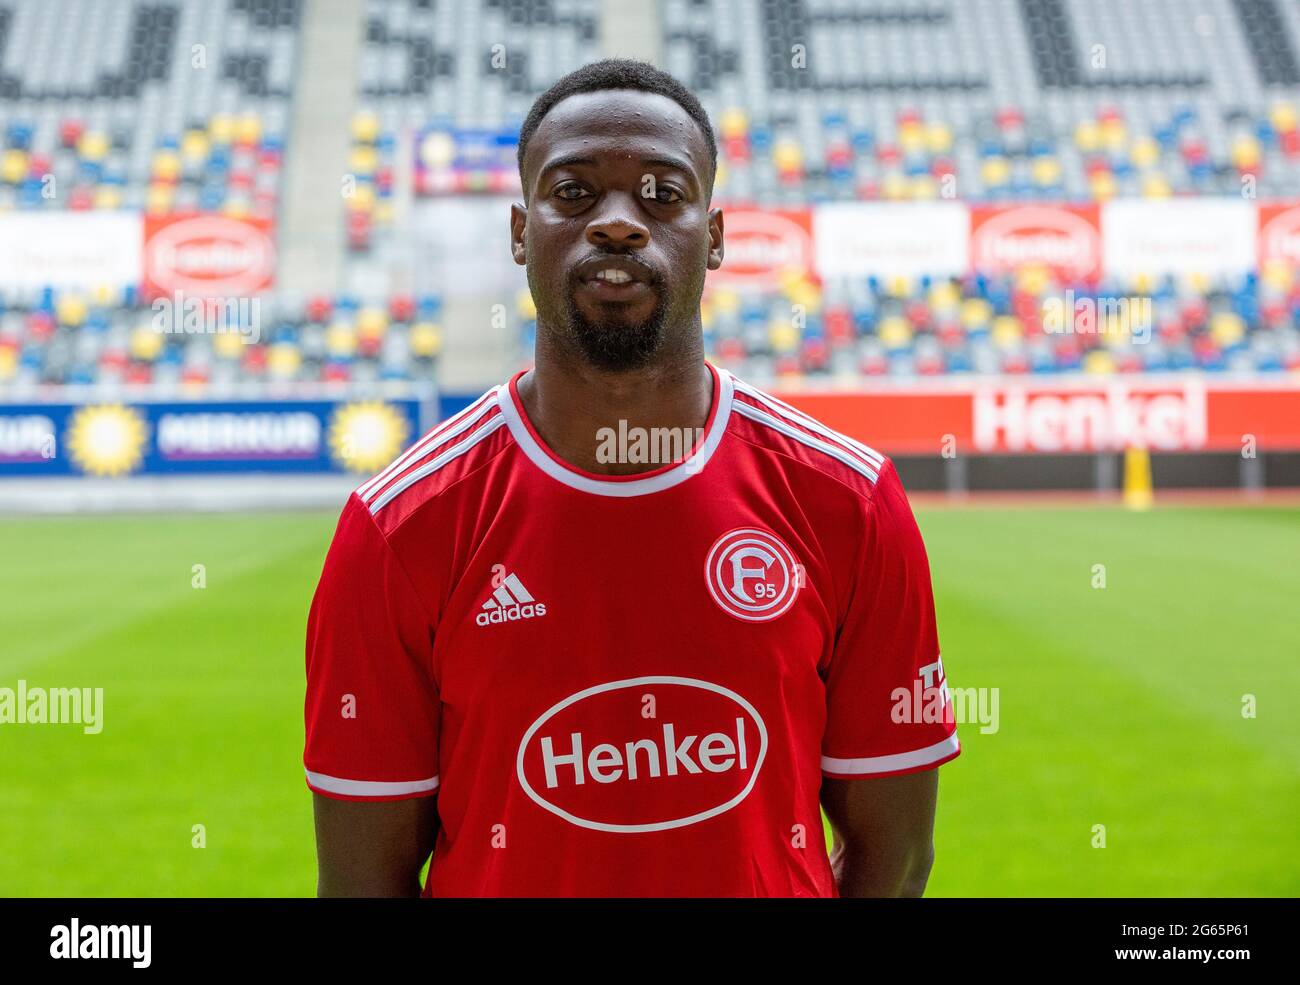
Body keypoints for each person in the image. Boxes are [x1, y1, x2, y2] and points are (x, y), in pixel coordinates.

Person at [305, 58, 959, 897]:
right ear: (519, 231)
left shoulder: (847, 499)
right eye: (573, 193)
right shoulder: (399, 528)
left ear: (714, 235)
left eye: (662, 193)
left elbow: (896, 860)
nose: (618, 223)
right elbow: (363, 881)